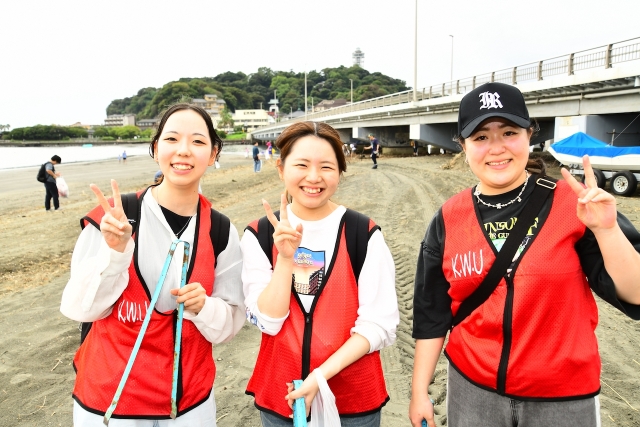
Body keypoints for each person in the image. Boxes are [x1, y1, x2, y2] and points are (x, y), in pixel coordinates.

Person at [409, 82, 640, 427]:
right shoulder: (448, 218)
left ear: (529, 135)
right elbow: (432, 313)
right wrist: (419, 392)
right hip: (473, 392)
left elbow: (635, 294)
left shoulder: (574, 204)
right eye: (481, 137)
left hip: (563, 398)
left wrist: (606, 230)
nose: (497, 148)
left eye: (509, 132)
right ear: (463, 146)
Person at [60, 103, 245, 426]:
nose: (184, 150)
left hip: (188, 403)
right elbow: (80, 308)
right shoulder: (114, 217)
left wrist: (204, 307)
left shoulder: (220, 230)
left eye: (198, 141)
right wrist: (114, 253)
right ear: (156, 148)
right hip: (109, 402)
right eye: (172, 139)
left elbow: (229, 324)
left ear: (214, 153)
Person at [242, 121, 399, 427]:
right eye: (301, 165)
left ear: (340, 171)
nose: (314, 177)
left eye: (326, 166)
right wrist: (284, 259)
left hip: (352, 400)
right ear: (281, 169)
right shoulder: (258, 234)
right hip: (282, 397)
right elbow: (269, 322)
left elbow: (379, 324)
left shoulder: (363, 233)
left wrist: (319, 376)